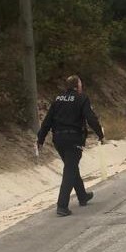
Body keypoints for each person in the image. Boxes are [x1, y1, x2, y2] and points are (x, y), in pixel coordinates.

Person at [37, 75, 104, 217]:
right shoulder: (82, 98)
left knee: (71, 166)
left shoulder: (57, 99)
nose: (82, 86)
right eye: (81, 84)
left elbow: (47, 121)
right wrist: (100, 134)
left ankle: (82, 195)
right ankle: (62, 206)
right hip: (74, 139)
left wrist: (40, 139)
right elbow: (90, 117)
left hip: (59, 140)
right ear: (77, 86)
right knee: (70, 169)